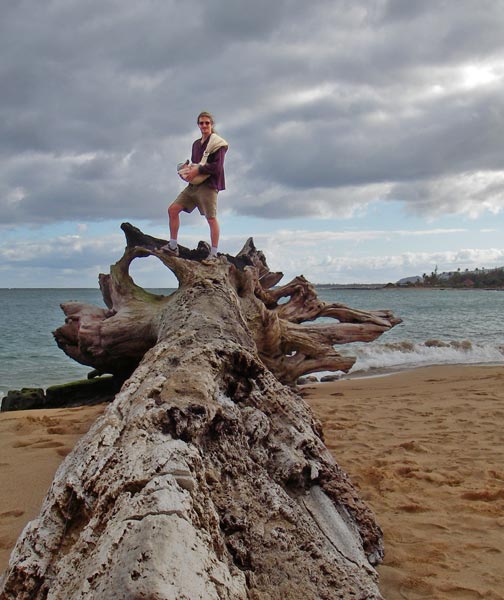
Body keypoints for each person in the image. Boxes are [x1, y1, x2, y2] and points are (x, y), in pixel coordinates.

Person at [162, 111, 228, 258]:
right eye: (201, 123)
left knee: (211, 218)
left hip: (209, 185)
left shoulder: (218, 144)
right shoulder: (196, 144)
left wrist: (197, 169)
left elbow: (217, 167)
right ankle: (173, 246)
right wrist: (186, 171)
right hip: (194, 185)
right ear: (198, 125)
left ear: (211, 124)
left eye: (207, 123)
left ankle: (214, 254)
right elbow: (195, 164)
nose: (204, 125)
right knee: (173, 210)